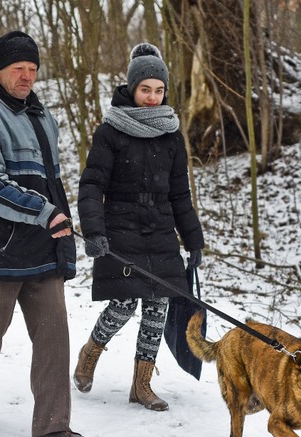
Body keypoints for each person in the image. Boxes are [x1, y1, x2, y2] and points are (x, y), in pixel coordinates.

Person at [0, 31, 88, 437]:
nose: (26, 77)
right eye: (18, 69)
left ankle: (51, 425)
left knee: (54, 337)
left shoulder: (43, 116)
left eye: (32, 69)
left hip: (43, 248)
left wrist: (63, 232)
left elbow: (53, 184)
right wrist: (45, 213)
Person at [75, 43, 205, 411]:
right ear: (132, 88)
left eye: (158, 90)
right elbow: (92, 186)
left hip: (161, 231)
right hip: (121, 230)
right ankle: (91, 351)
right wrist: (95, 231)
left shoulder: (171, 134)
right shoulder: (111, 132)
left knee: (157, 306)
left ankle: (142, 385)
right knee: (122, 304)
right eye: (145, 89)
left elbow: (181, 194)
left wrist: (193, 240)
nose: (152, 97)